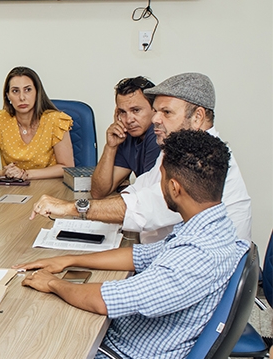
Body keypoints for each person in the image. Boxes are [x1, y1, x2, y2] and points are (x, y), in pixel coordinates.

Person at [16, 129, 248, 359]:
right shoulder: (211, 227)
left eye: (161, 178)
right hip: (133, 349)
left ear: (175, 187)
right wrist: (68, 260)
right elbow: (138, 256)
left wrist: (53, 284)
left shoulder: (195, 256)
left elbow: (104, 301)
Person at [30, 72, 252, 244]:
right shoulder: (177, 149)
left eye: (166, 112)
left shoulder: (203, 158)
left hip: (199, 276)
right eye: (156, 111)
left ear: (198, 117)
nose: (155, 119)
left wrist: (72, 207)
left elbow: (145, 208)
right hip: (167, 254)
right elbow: (138, 191)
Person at [0, 66, 74, 180]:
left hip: (49, 186)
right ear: (8, 96)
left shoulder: (56, 121)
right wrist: (3, 173)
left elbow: (67, 167)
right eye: (15, 91)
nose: (22, 97)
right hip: (13, 187)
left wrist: (26, 174)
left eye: (28, 90)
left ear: (37, 92)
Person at [90, 76, 160, 199]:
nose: (128, 120)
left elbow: (148, 196)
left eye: (136, 110)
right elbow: (98, 192)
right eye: (122, 112)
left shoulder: (158, 135)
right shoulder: (127, 136)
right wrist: (111, 147)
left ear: (154, 109)